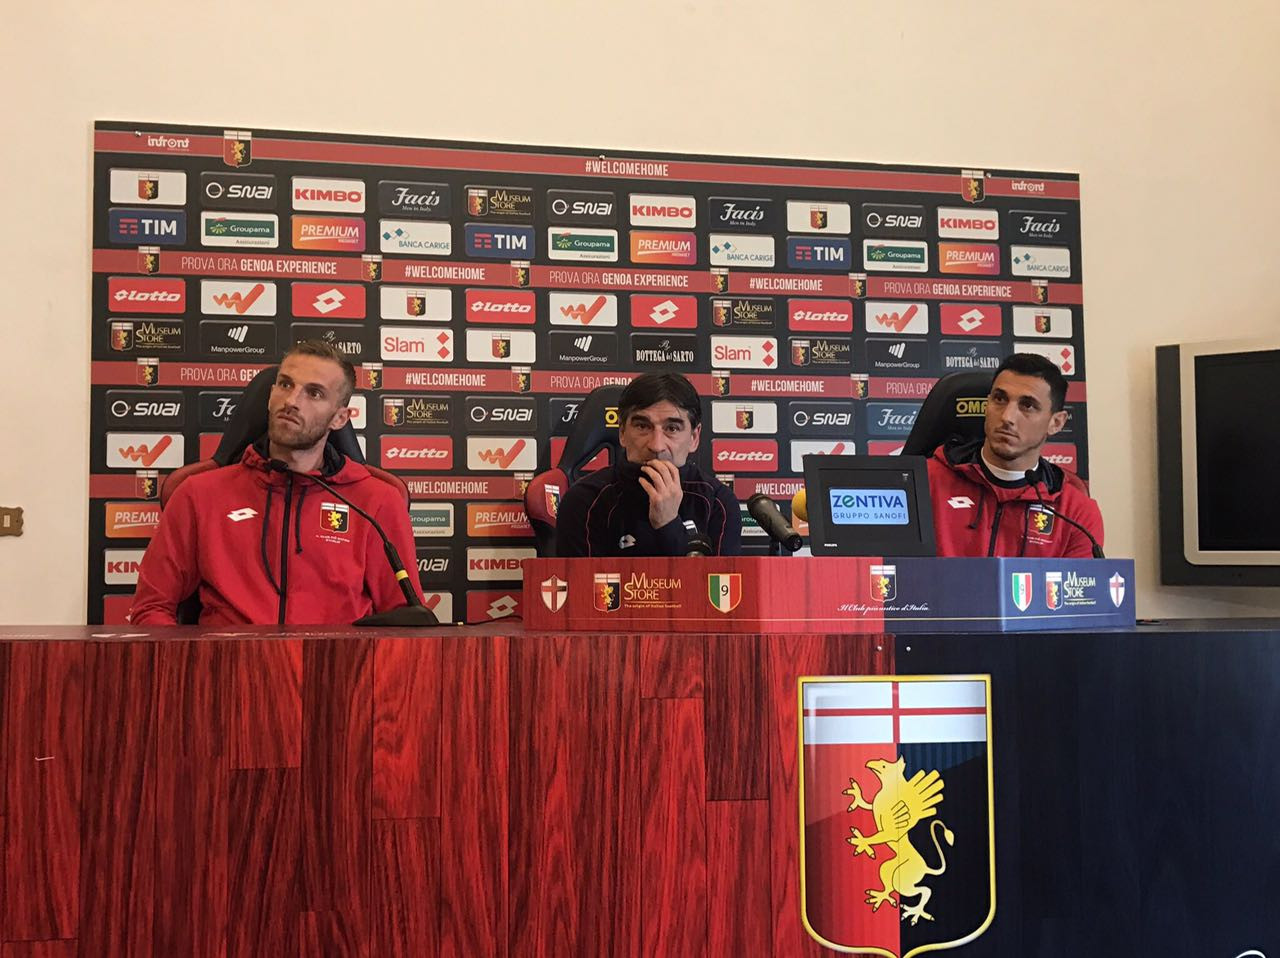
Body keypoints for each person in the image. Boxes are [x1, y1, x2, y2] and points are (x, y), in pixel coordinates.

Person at [130, 340, 423, 625]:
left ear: (339, 418)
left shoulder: (375, 502)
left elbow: (405, 621)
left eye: (314, 393)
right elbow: (151, 608)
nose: (292, 401)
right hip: (226, 658)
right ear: (270, 396)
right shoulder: (199, 494)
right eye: (285, 385)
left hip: (337, 659)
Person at [927, 353, 1104, 557]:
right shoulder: (926, 482)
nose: (1007, 417)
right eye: (1000, 399)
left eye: (1027, 405)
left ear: (1056, 423)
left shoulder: (1077, 514)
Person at [555, 373, 741, 557]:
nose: (656, 446)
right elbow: (580, 578)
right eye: (642, 427)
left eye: (672, 428)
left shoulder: (718, 503)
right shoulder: (583, 501)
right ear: (622, 432)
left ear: (694, 437)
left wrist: (668, 525)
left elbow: (716, 578)